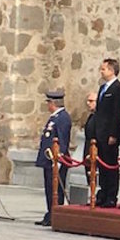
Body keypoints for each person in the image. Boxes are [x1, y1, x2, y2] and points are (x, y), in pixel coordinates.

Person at [35, 90, 71, 226]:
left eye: (49, 102)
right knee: (49, 188)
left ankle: (55, 214)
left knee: (55, 189)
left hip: (55, 160)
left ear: (53, 103)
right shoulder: (54, 117)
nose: (47, 105)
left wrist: (59, 159)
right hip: (48, 159)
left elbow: (62, 140)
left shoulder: (62, 118)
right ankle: (50, 212)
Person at [94, 58, 120, 207]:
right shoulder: (103, 88)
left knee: (110, 165)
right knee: (102, 165)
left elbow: (116, 113)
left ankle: (111, 196)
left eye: (104, 69)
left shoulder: (118, 88)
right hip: (100, 132)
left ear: (112, 71)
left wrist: (114, 133)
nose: (101, 71)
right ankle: (103, 192)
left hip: (109, 133)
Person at [83, 92, 97, 186]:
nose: (88, 103)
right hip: (88, 148)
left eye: (91, 101)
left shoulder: (99, 117)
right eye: (87, 101)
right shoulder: (92, 116)